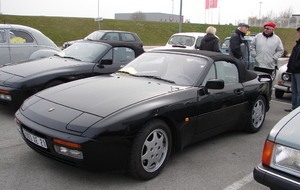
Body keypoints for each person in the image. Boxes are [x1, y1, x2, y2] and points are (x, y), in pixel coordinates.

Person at [284, 27, 300, 112]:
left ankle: (297, 110)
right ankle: (294, 107)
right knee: (294, 90)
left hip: (298, 71)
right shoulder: (297, 44)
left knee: (299, 92)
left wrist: (294, 66)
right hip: (294, 71)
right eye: (298, 32)